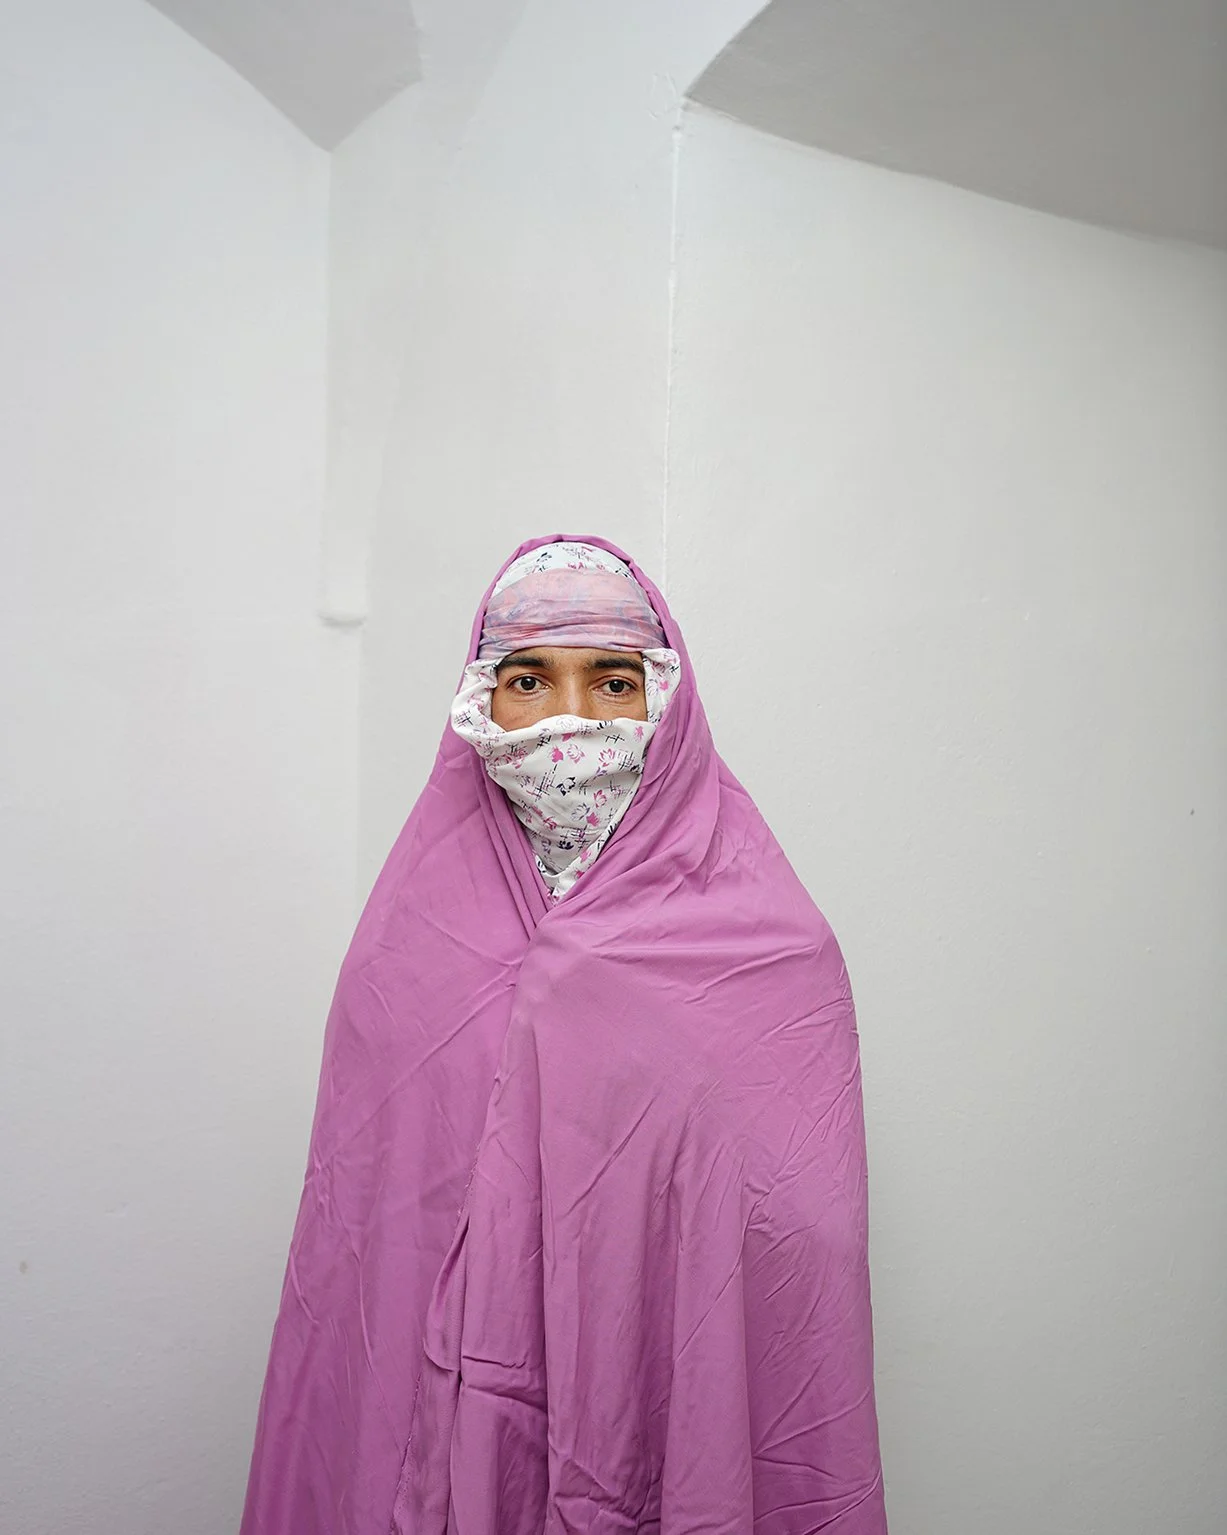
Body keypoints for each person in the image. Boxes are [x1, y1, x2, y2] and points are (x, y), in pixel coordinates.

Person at [240, 535, 887, 1534]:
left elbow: (796, 1242)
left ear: (666, 703)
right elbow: (362, 1245)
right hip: (443, 1420)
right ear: (480, 700)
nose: (571, 717)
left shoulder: (771, 948)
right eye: (529, 679)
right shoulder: (401, 954)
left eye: (614, 680)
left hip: (657, 1411)